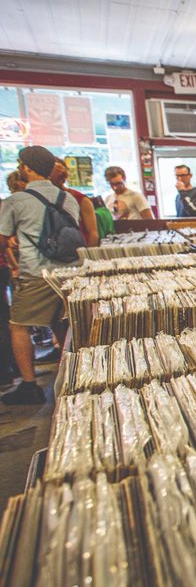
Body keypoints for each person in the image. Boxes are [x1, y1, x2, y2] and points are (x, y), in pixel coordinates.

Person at [0, 146, 81, 405]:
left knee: (19, 325)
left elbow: (2, 239)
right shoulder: (67, 198)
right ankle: (70, 372)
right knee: (64, 321)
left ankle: (29, 384)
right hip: (71, 270)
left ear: (27, 168)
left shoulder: (16, 201)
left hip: (37, 272)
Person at [50, 158, 99, 248]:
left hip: (78, 250)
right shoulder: (42, 198)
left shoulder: (81, 199)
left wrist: (87, 255)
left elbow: (93, 233)